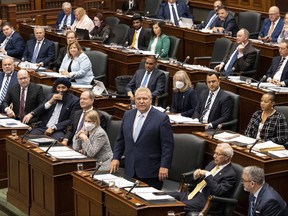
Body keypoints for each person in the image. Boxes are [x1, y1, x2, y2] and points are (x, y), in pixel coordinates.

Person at [110, 87, 174, 190]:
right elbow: (120, 139)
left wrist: (164, 166)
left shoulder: (161, 119)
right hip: (130, 169)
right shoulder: (128, 115)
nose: (141, 101)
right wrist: (116, 157)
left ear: (151, 99)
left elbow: (167, 145)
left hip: (151, 171)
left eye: (144, 98)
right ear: (134, 100)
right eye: (138, 99)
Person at [168, 143, 236, 214]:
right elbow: (199, 182)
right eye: (215, 153)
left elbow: (218, 191)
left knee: (173, 206)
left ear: (227, 157)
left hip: (205, 201)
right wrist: (196, 177)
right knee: (163, 196)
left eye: (218, 154)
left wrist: (208, 175)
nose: (214, 156)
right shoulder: (212, 163)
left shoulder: (230, 174)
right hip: (192, 194)